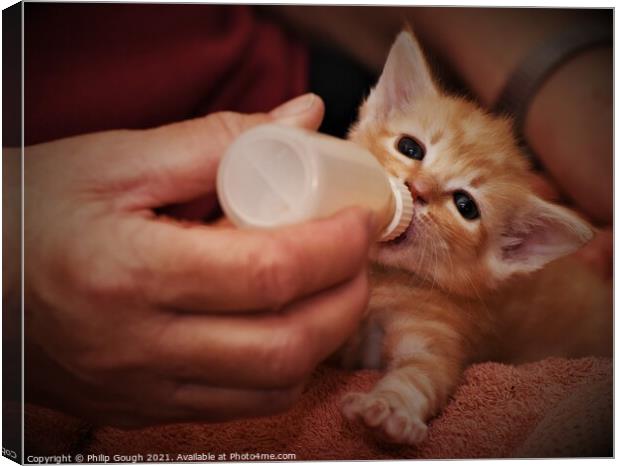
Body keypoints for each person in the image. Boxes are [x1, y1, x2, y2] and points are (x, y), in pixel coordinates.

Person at [6, 4, 611, 427]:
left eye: (464, 204)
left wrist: (557, 75)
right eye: (410, 149)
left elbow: (427, 361)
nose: (419, 186)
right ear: (376, 115)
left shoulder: (440, 298)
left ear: (510, 252)